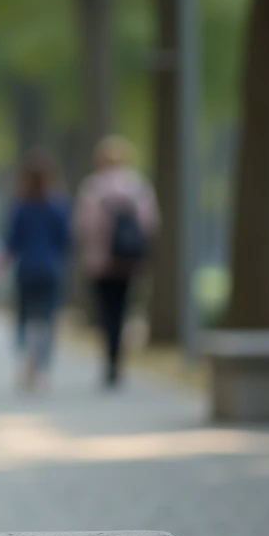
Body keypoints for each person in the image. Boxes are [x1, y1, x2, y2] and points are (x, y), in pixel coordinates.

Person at [74, 135, 159, 388]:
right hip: (129, 262)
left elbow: (83, 226)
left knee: (105, 313)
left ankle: (109, 359)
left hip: (99, 261)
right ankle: (118, 360)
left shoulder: (92, 187)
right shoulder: (138, 186)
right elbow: (150, 223)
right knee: (123, 311)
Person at [4, 149, 70, 392]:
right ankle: (42, 367)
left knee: (24, 317)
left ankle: (26, 359)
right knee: (47, 318)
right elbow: (65, 239)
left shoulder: (20, 206)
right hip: (50, 268)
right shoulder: (58, 205)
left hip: (26, 269)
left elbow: (12, 241)